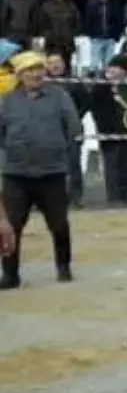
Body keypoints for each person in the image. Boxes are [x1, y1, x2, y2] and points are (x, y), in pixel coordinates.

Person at [0, 51, 83, 289]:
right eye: (29, 70)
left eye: (39, 69)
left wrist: (57, 150)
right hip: (16, 174)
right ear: (20, 75)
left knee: (59, 224)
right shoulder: (7, 100)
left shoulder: (59, 96)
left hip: (52, 173)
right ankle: (10, 274)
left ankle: (63, 267)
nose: (36, 74)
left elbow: (73, 127)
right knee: (12, 226)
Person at [88, 56, 127, 206]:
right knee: (112, 167)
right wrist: (107, 84)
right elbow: (94, 101)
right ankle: (114, 198)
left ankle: (125, 196)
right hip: (110, 132)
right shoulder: (101, 85)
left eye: (117, 68)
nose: (113, 71)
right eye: (111, 68)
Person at [43, 52, 90, 207]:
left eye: (58, 62)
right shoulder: (42, 83)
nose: (55, 66)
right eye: (51, 62)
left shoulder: (74, 82)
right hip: (46, 130)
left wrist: (74, 117)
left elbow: (86, 102)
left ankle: (75, 198)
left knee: (73, 165)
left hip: (71, 129)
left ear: (64, 64)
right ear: (46, 66)